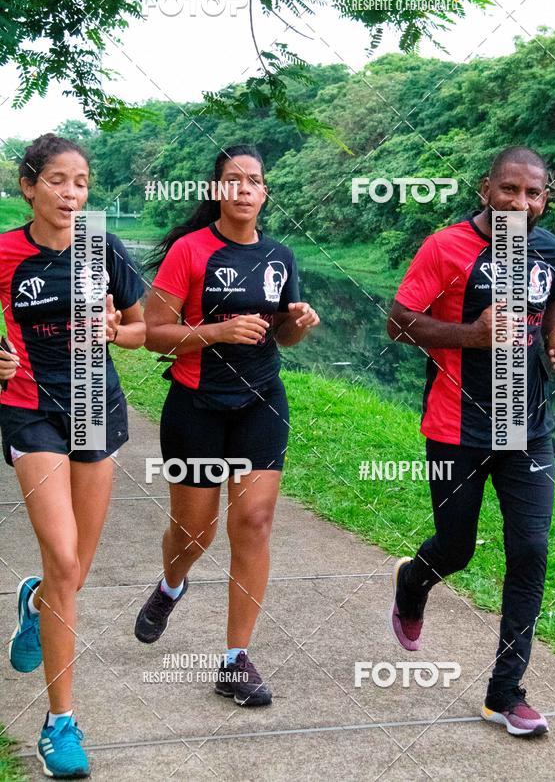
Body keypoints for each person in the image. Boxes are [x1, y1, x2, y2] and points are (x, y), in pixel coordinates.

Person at [386, 146, 555, 737]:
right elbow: (398, 323)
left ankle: (505, 692)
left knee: (531, 553)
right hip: (457, 428)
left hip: (528, 428)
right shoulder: (446, 248)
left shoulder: (547, 249)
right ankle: (412, 583)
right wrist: (471, 335)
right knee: (456, 547)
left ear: (545, 198)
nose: (521, 203)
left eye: (534, 193)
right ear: (484, 188)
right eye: (510, 190)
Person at [135, 144, 319, 707]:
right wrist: (215, 333)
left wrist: (298, 324)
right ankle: (171, 585)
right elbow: (152, 333)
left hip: (261, 401)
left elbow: (280, 335)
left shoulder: (280, 256)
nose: (244, 189)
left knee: (255, 522)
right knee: (195, 534)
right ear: (217, 190)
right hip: (196, 404)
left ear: (265, 193)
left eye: (255, 181)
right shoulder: (190, 252)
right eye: (233, 180)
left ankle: (234, 661)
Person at [0, 133, 145, 777]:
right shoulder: (5, 251)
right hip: (29, 406)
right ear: (29, 187)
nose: (71, 193)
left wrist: (120, 329)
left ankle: (35, 603)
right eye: (57, 180)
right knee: (63, 558)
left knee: (72, 575)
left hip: (96, 402)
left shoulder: (102, 245)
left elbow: (144, 330)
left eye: (81, 182)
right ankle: (60, 723)